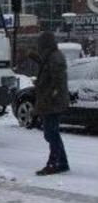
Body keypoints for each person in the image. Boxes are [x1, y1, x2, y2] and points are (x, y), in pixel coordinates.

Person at [30, 31, 70, 176]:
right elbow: (47, 71)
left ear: (45, 45)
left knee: (51, 133)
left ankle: (54, 163)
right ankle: (62, 162)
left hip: (53, 102)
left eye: (39, 45)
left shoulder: (55, 58)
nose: (38, 48)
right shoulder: (51, 57)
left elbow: (58, 82)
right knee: (52, 133)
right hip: (50, 101)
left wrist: (49, 95)